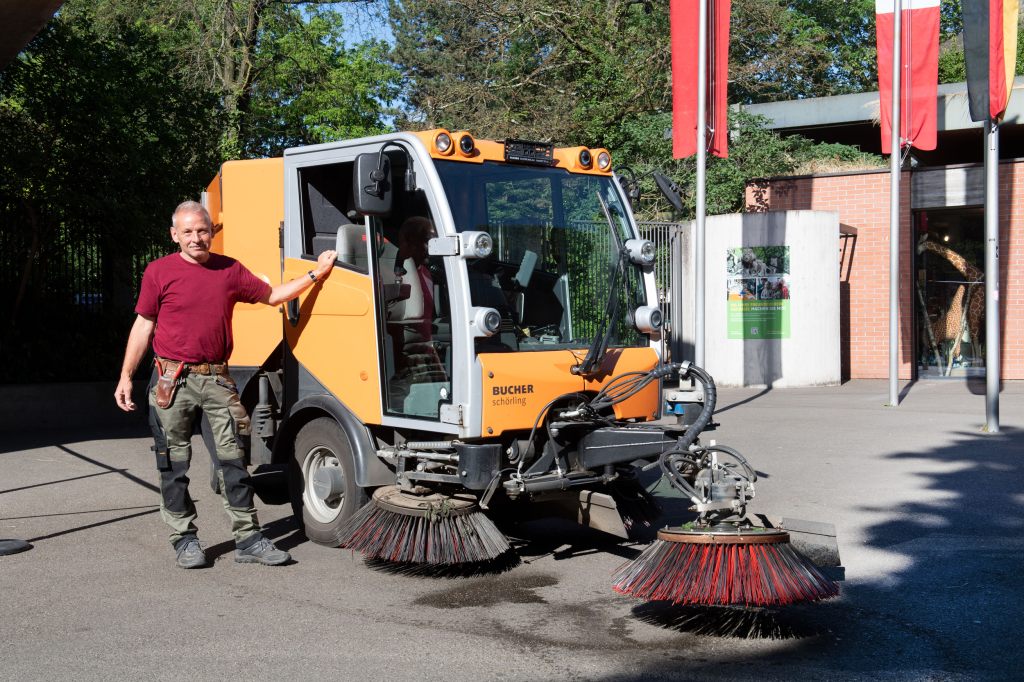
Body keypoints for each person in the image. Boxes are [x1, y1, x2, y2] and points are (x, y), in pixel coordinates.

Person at [114, 200, 337, 569]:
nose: (196, 238)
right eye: (187, 232)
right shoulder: (158, 272)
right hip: (171, 381)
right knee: (172, 465)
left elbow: (273, 296)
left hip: (216, 379)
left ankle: (248, 539)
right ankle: (184, 540)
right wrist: (125, 375)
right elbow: (144, 325)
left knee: (232, 461)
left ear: (212, 232)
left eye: (202, 230)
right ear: (174, 235)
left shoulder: (229, 270)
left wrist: (317, 274)